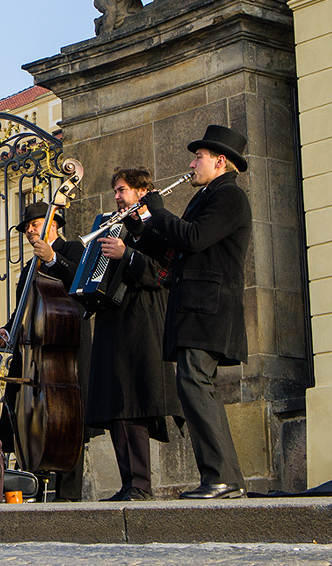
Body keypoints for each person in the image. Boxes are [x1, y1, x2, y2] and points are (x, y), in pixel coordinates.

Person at [125, 125, 252, 499]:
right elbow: (175, 247)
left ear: (220, 161)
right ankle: (225, 477)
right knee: (197, 387)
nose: (192, 163)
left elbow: (193, 238)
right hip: (194, 309)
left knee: (195, 385)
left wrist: (158, 211)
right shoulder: (207, 196)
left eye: (199, 157)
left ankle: (220, 477)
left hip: (208, 309)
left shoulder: (229, 197)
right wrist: (141, 227)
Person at [85, 168, 183, 501]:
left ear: (143, 191)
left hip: (142, 318)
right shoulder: (114, 224)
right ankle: (128, 483)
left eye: (122, 190)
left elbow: (162, 272)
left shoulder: (159, 223)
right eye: (114, 190)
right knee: (116, 402)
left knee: (135, 402)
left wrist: (126, 254)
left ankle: (141, 484)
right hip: (113, 319)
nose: (116, 196)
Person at [0, 201, 90, 501]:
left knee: (68, 420)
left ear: (54, 224)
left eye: (34, 224)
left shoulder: (73, 249)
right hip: (35, 349)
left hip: (65, 346)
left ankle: (68, 494)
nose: (30, 231)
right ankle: (27, 487)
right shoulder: (28, 265)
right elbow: (24, 308)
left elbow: (81, 282)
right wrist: (9, 329)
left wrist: (53, 259)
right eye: (26, 228)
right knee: (25, 420)